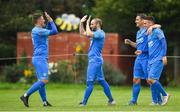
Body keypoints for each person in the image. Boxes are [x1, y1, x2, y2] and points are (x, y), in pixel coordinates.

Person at [20, 12, 58, 107]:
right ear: (38, 21)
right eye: (42, 19)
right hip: (40, 58)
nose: (44, 20)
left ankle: (44, 102)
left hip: (39, 58)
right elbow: (54, 31)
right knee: (44, 80)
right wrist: (51, 21)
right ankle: (25, 95)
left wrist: (49, 21)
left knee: (41, 81)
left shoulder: (39, 30)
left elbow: (48, 29)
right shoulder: (38, 30)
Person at [124, 13, 161, 105]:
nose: (135, 21)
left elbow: (158, 26)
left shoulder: (149, 30)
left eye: (137, 19)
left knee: (150, 80)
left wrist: (152, 27)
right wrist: (130, 42)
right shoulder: (138, 32)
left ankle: (157, 100)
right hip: (139, 59)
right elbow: (138, 45)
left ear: (143, 21)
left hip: (147, 59)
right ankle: (133, 100)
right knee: (136, 79)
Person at [79, 15, 115, 106]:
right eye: (90, 24)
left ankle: (84, 103)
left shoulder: (100, 33)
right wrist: (81, 22)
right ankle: (111, 100)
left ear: (98, 24)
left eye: (92, 24)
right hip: (95, 60)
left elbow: (88, 33)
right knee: (101, 80)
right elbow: (82, 32)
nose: (90, 26)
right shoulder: (95, 34)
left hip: (95, 61)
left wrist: (86, 23)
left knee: (90, 82)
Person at [143, 16, 170, 105]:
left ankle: (165, 94)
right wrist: (141, 51)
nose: (144, 25)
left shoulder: (157, 31)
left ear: (151, 23)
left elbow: (164, 43)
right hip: (150, 60)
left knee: (152, 79)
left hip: (158, 59)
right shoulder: (148, 33)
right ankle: (156, 101)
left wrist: (164, 56)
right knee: (151, 81)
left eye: (145, 23)